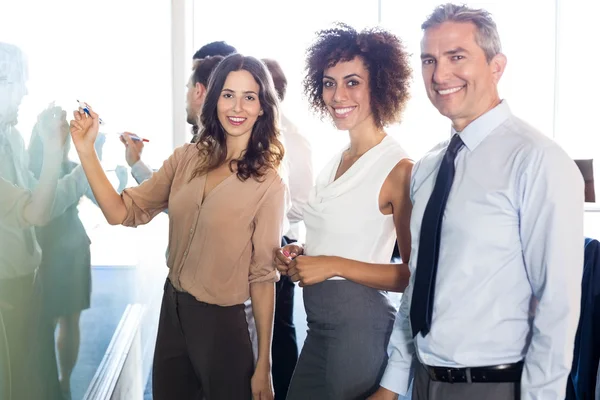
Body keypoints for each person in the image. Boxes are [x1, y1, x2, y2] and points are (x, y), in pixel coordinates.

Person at [369, 4, 584, 400]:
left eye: (457, 57)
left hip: (498, 387)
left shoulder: (537, 160)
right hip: (424, 381)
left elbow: (558, 306)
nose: (439, 75)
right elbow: (420, 282)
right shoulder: (430, 166)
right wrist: (393, 382)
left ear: (496, 66)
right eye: (429, 60)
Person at [69, 53, 286, 400]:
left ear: (262, 107)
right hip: (173, 311)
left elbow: (262, 278)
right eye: (228, 94)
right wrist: (86, 150)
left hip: (224, 327)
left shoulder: (269, 184)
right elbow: (121, 212)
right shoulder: (186, 158)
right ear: (214, 99)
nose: (238, 106)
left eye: (250, 97)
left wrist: (265, 365)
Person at [275, 24, 414, 399]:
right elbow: (341, 236)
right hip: (320, 327)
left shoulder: (398, 169)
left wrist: (333, 264)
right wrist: (303, 257)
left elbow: (411, 276)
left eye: (352, 82)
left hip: (359, 327)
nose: (338, 95)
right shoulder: (337, 159)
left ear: (380, 86)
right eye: (328, 82)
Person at [0, 42, 91, 400]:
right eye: (18, 81)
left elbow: (36, 211)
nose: (25, 91)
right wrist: (56, 150)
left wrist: (81, 174)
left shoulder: (12, 138)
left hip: (28, 286)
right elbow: (35, 211)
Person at [28, 131, 126, 400]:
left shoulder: (64, 168)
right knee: (48, 322)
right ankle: (55, 381)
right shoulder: (32, 169)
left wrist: (119, 177)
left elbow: (106, 203)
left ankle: (60, 381)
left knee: (60, 320)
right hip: (51, 252)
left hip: (65, 250)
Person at [262, 57, 314, 399]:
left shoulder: (294, 141)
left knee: (279, 332)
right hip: (254, 245)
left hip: (282, 245)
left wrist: (266, 204)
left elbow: (303, 202)